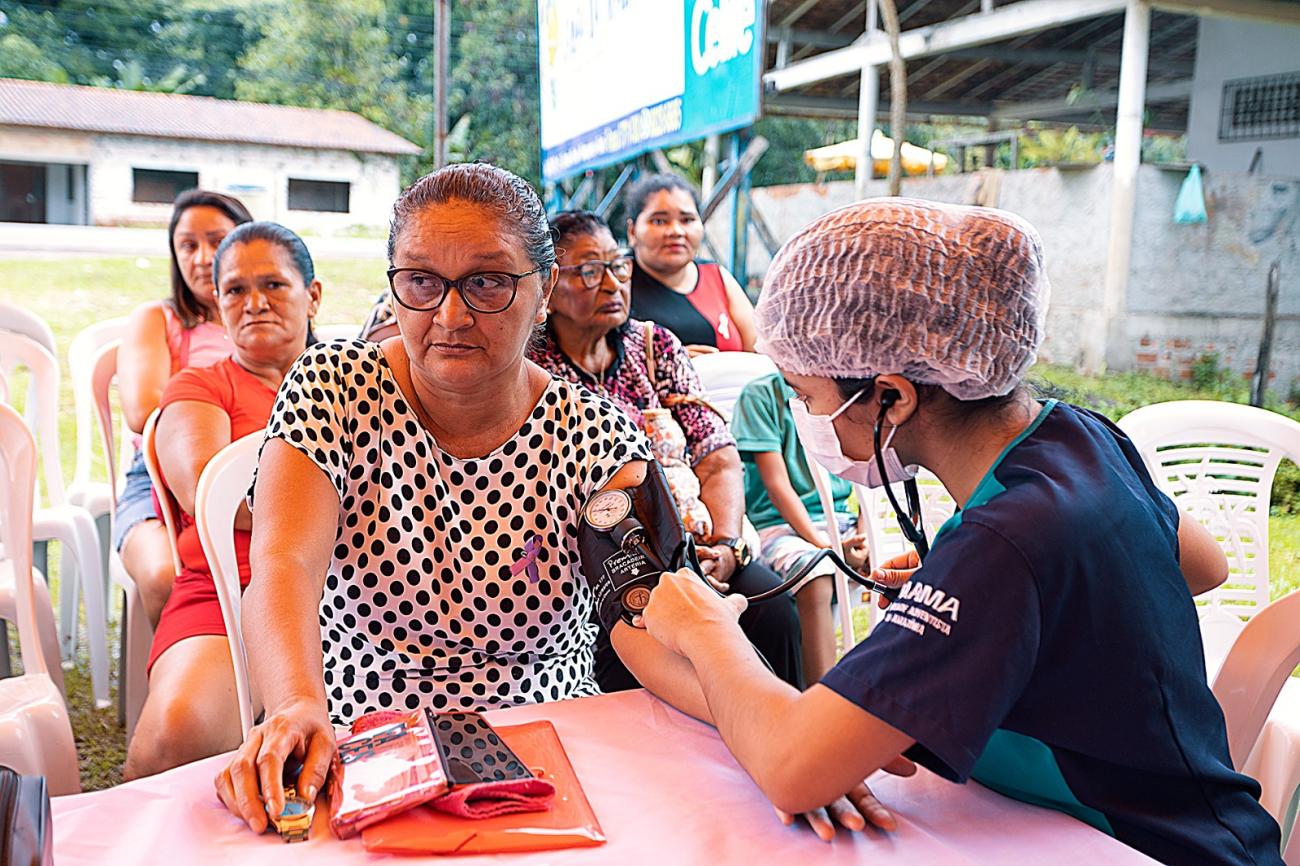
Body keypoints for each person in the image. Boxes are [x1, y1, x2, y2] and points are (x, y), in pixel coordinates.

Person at [639, 198, 1283, 864]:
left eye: (806, 396)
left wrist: (706, 630)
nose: (806, 416)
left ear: (892, 397)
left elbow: (792, 766)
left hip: (1153, 851)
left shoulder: (1004, 541)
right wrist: (1006, 614)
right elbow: (1202, 564)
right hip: (1182, 828)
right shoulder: (1078, 434)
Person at [214, 164, 766, 835]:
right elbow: (284, 562)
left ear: (544, 291)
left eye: (488, 283)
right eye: (421, 282)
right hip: (364, 738)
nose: (450, 316)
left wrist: (764, 719)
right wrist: (296, 705)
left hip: (550, 745)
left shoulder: (594, 436)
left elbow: (641, 615)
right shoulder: (334, 387)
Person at [529, 210, 803, 692]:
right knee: (629, 643)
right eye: (589, 271)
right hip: (603, 569)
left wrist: (725, 546)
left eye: (618, 265)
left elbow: (716, 456)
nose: (612, 283)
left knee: (771, 607)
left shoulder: (655, 347)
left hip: (698, 549)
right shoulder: (532, 369)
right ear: (547, 287)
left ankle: (788, 727)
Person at [123, 222, 322, 779]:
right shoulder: (200, 387)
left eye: (273, 285)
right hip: (230, 591)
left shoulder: (358, 381)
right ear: (217, 300)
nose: (254, 303)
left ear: (312, 295)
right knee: (172, 736)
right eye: (235, 290)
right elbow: (213, 494)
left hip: (365, 592)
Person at [116, 190, 252, 626]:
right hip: (158, 480)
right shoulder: (158, 319)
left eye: (217, 241)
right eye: (188, 245)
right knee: (163, 574)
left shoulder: (269, 319)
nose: (202, 257)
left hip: (257, 470)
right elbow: (143, 410)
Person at [730, 371, 870, 681]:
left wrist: (864, 536)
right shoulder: (761, 395)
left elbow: (866, 472)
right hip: (780, 525)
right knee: (816, 572)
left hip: (840, 521)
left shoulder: (844, 387)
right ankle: (821, 693)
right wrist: (827, 548)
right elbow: (777, 486)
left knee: (899, 565)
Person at [625, 174, 756, 355]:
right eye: (659, 221)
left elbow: (758, 350)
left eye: (687, 220)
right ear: (632, 231)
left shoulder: (716, 276)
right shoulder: (617, 284)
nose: (676, 231)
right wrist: (670, 362)